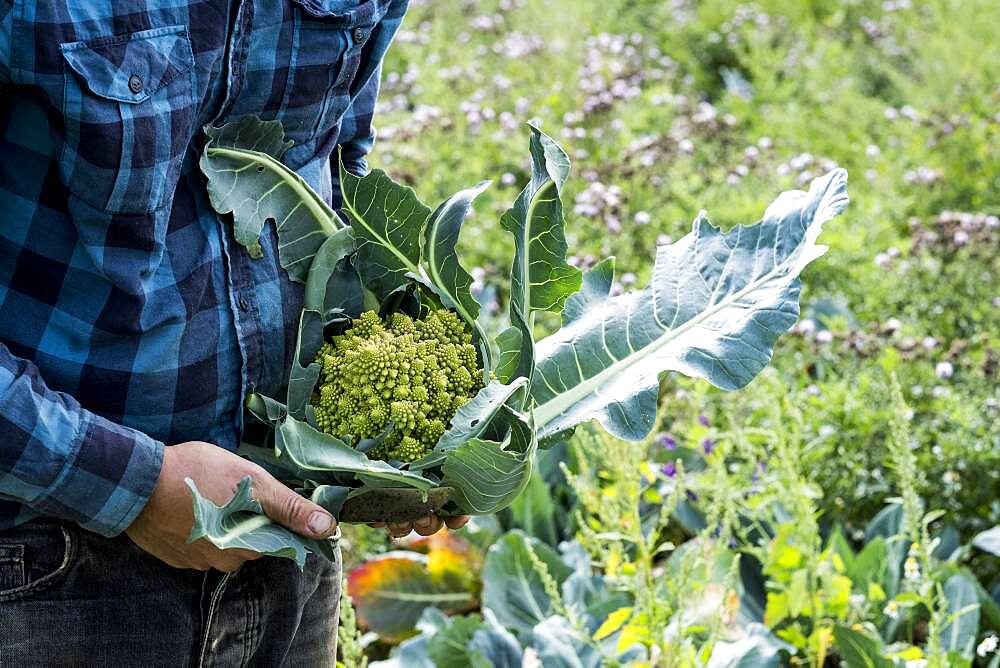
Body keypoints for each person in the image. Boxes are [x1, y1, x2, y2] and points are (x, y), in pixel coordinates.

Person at [0, 1, 465, 664]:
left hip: (284, 552)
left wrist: (402, 444)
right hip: (46, 561)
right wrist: (137, 487)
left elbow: (339, 181)